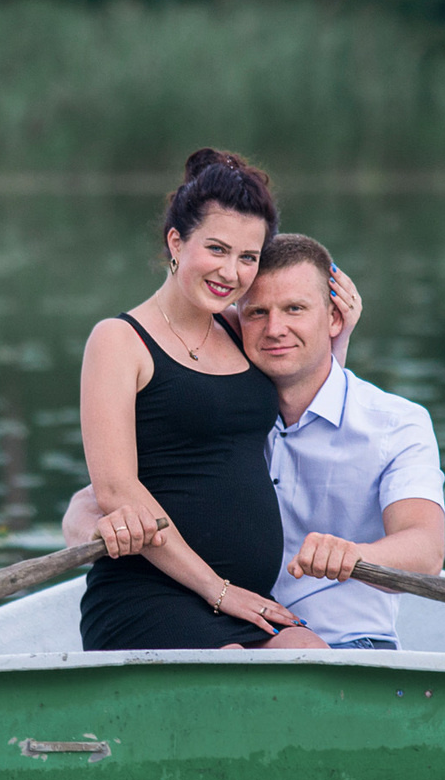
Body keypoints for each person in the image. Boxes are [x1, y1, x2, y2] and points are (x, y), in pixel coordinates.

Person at [71, 232, 444, 649]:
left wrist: (353, 554)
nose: (275, 329)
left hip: (348, 642)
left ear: (334, 318)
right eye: (257, 313)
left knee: (289, 665)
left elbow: (426, 551)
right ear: (233, 321)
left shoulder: (396, 424)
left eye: (295, 309)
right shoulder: (230, 419)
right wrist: (91, 523)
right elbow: (110, 496)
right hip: (225, 623)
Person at [77, 149, 321, 652]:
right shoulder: (119, 341)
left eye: (248, 257)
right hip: (147, 595)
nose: (231, 272)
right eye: (217, 249)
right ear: (176, 242)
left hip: (244, 597)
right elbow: (116, 489)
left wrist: (340, 335)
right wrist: (218, 591)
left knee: (310, 657)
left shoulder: (238, 331)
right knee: (231, 669)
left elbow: (303, 382)